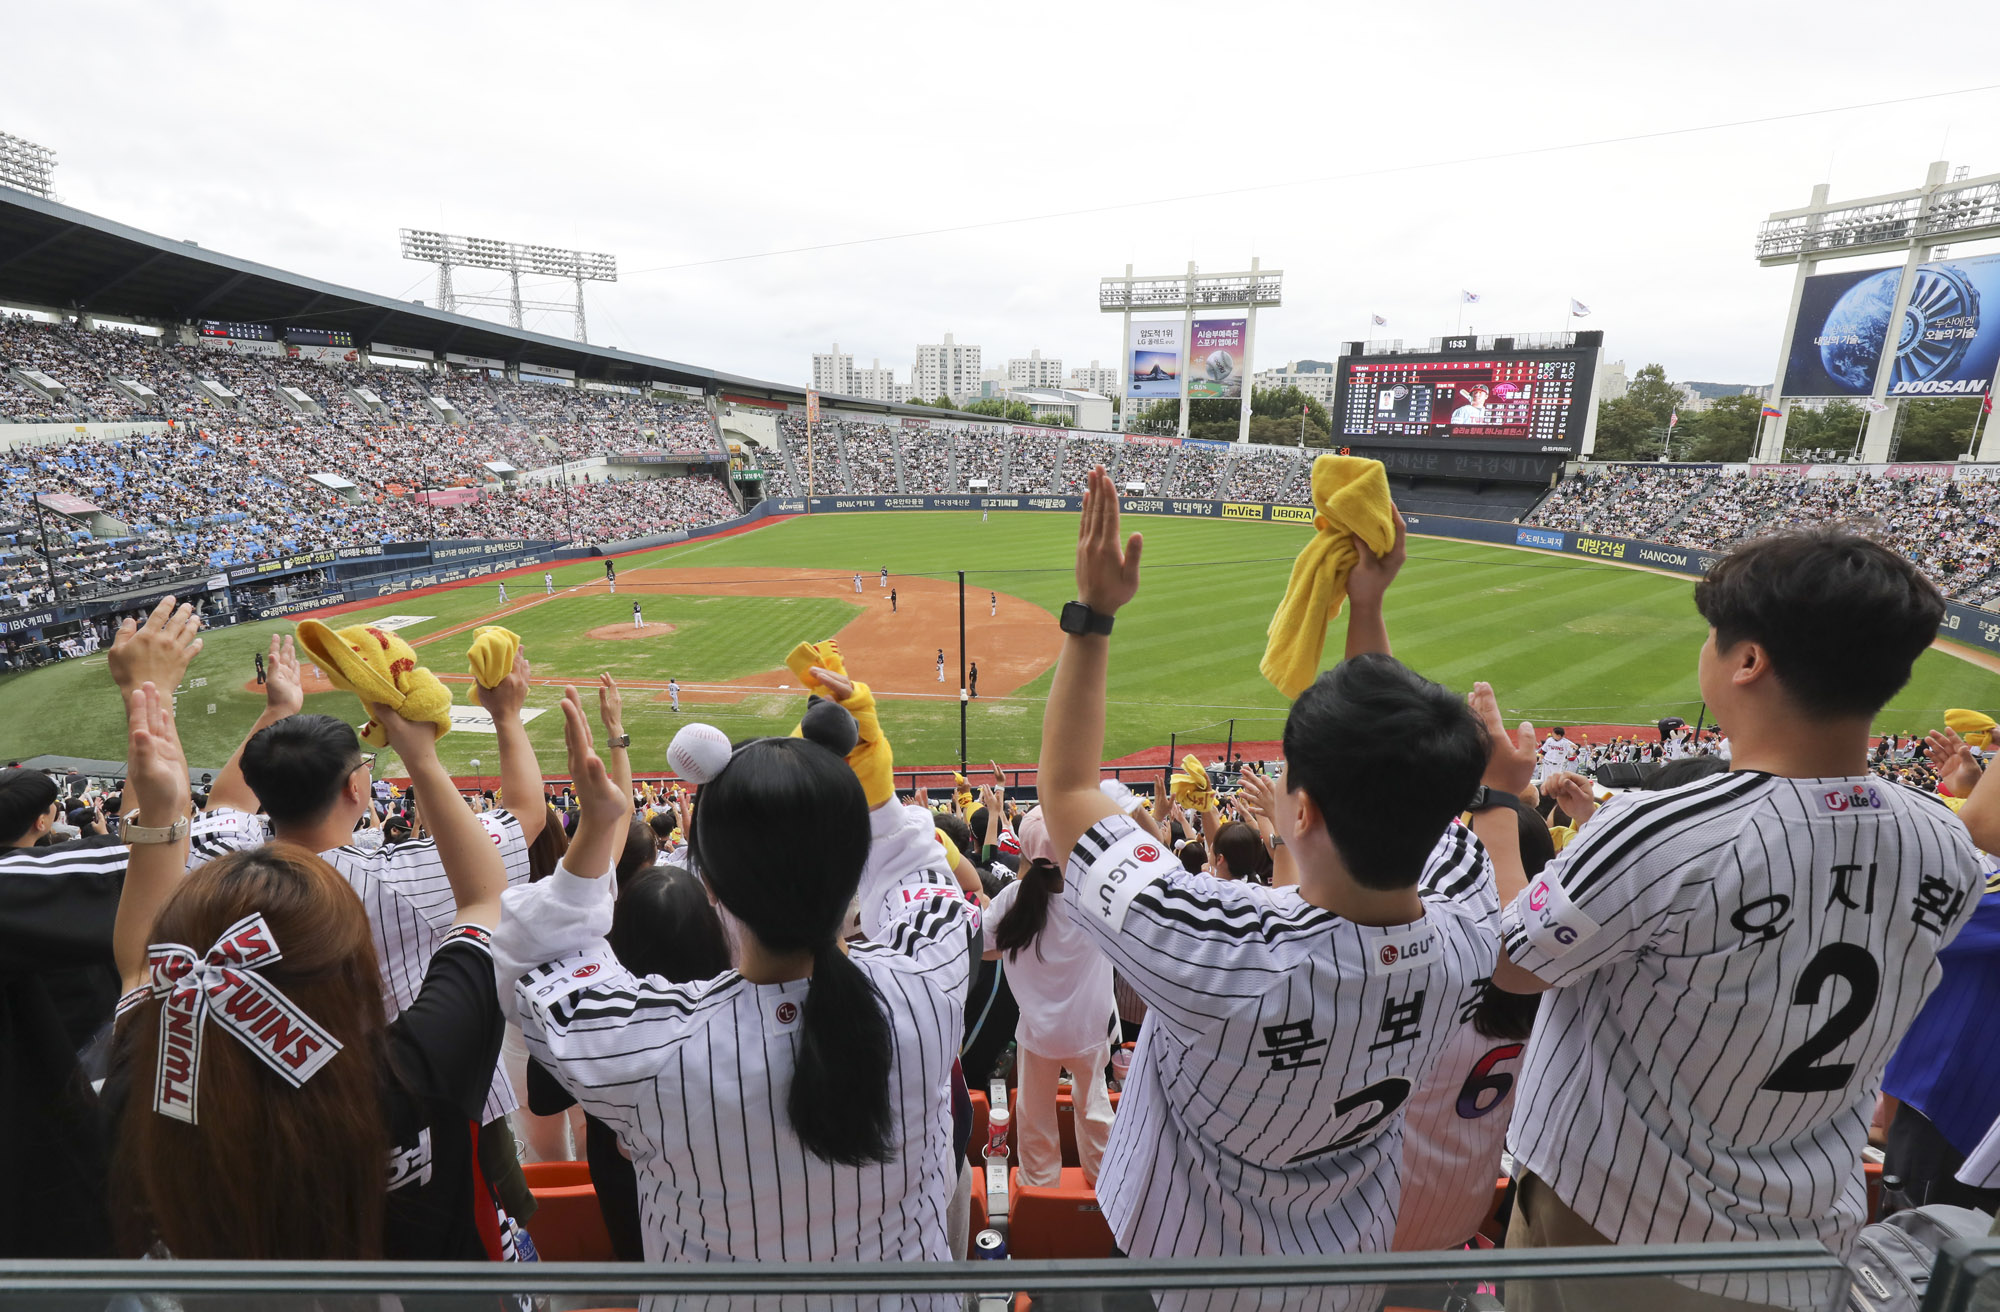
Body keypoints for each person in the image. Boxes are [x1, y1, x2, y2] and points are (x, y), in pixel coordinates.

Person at [1490, 528, 1982, 1281]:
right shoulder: (1943, 839)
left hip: (1616, 1236)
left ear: (1749, 661)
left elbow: (1512, 969)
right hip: (1809, 1239)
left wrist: (1498, 803)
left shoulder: (1658, 828)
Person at [1036, 467, 1494, 1264]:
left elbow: (1070, 789)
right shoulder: (1470, 914)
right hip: (1343, 1265)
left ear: (1304, 814)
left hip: (1177, 1264)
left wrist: (1092, 616)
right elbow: (1395, 760)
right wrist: (1368, 605)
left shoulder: (1215, 942)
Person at [495, 686, 980, 1264]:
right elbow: (924, 882)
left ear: (713, 888)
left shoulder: (652, 1048)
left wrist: (600, 828)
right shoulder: (927, 990)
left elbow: (531, 959)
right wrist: (875, 796)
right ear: (856, 871)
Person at [104, 665, 511, 1260]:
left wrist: (165, 811)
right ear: (349, 961)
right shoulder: (410, 1071)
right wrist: (419, 756)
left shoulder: (153, 1073)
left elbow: (139, 967)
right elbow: (483, 899)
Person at [193, 630, 545, 1130]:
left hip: (292, 1112)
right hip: (436, 1105)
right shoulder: (401, 878)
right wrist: (505, 715)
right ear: (355, 788)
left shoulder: (218, 869)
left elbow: (226, 806)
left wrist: (277, 712)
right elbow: (526, 815)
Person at [983, 807, 1116, 1188]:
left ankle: (1039, 1190)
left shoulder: (1011, 900)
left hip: (1038, 1035)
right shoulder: (1094, 896)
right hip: (1089, 1031)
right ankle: (1106, 1190)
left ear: (1024, 850)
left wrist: (1012, 948)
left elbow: (984, 947)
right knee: (1094, 1108)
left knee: (1035, 1115)